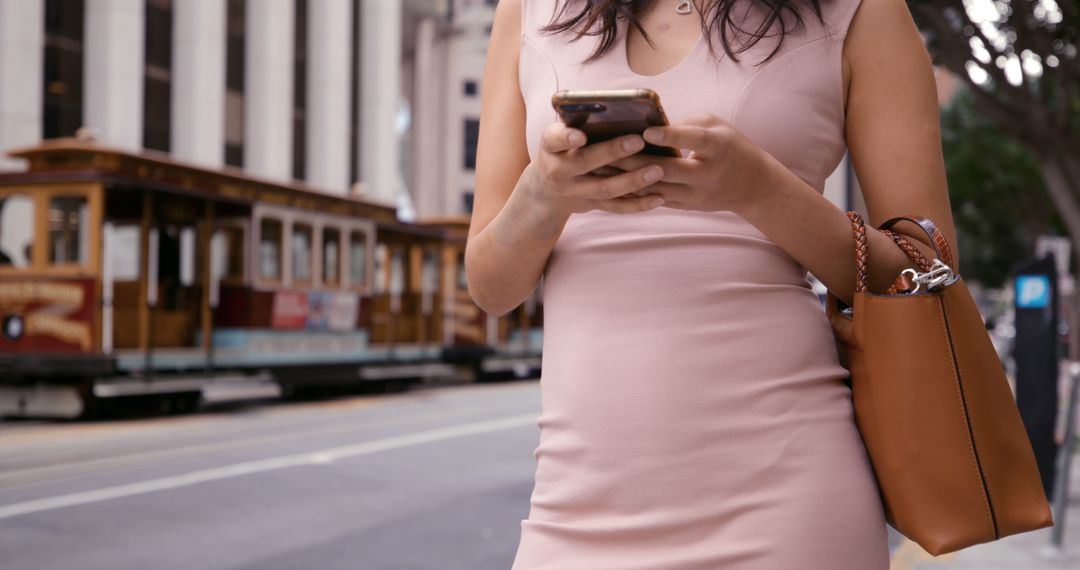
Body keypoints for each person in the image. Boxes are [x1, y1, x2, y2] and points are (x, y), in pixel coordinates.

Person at [466, 0, 958, 568]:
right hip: (571, 509)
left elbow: (928, 277)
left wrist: (761, 191)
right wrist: (544, 195)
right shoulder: (528, 11)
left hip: (787, 508)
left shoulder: (862, 11)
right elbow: (491, 289)